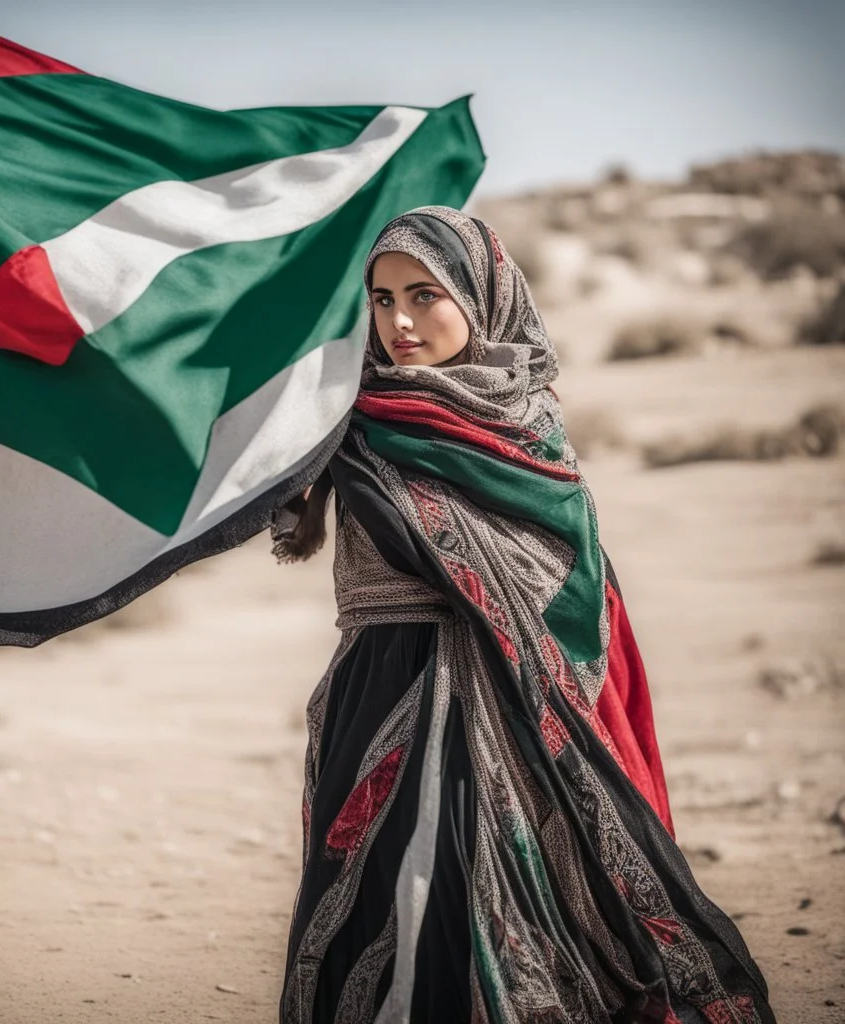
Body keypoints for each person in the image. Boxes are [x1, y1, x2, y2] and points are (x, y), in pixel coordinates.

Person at [271, 207, 774, 1024]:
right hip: (378, 697)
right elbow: (287, 519)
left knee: (487, 909)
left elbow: (571, 568)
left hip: (506, 709)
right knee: (375, 914)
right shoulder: (344, 418)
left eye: (424, 294)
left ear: (482, 295)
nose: (397, 320)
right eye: (381, 297)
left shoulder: (529, 424)